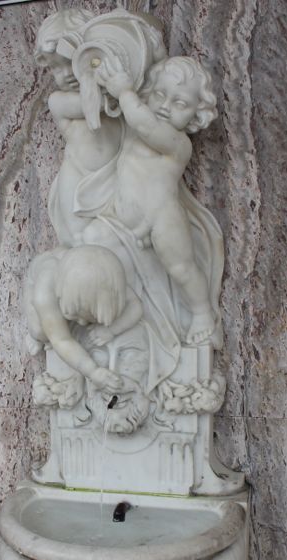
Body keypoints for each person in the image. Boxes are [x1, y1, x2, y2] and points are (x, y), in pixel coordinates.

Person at [96, 55, 220, 345]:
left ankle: (202, 313)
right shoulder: (134, 127)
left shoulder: (177, 143)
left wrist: (124, 91)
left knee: (182, 268)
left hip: (162, 220)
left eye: (180, 103)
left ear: (197, 115)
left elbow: (146, 126)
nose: (165, 106)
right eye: (160, 95)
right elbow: (125, 119)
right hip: (125, 221)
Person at [35, 9, 124, 247]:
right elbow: (94, 105)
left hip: (113, 175)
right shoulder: (58, 101)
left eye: (71, 62)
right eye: (56, 68)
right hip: (77, 177)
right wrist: (115, 84)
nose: (66, 74)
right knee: (78, 239)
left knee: (114, 238)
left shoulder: (112, 95)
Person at [23, 245, 143, 393]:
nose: (82, 323)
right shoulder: (44, 294)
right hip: (35, 283)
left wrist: (111, 330)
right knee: (41, 332)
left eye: (88, 319)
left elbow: (136, 306)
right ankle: (38, 334)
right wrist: (93, 372)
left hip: (71, 265)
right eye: (75, 316)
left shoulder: (105, 278)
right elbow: (61, 340)